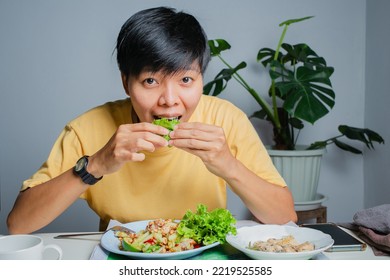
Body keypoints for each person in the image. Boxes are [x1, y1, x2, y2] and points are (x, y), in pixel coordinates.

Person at [7, 6, 297, 234]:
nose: (169, 99)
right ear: (125, 82)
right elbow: (19, 224)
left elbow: (285, 217)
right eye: (150, 81)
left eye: (185, 79)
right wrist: (95, 164)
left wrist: (227, 164)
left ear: (201, 79)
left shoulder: (225, 119)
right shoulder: (86, 129)